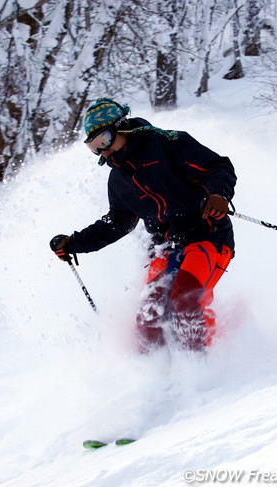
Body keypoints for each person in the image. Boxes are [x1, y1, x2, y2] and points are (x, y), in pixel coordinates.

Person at [50, 98, 237, 352]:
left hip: (206, 234)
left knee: (184, 297)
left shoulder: (167, 143)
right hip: (166, 247)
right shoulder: (118, 179)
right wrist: (74, 243)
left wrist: (219, 195)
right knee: (149, 313)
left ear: (122, 127)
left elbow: (218, 166)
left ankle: (201, 363)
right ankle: (155, 372)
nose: (102, 151)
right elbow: (117, 223)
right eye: (94, 147)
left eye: (103, 140)